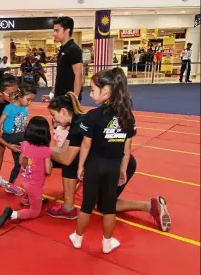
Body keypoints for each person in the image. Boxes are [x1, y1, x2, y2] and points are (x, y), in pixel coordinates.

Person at [47, 91, 171, 233]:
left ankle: (68, 208)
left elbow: (66, 158)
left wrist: (41, 150)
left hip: (115, 165)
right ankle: (151, 206)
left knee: (100, 201)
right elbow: (62, 149)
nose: (54, 120)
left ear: (63, 111)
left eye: (53, 115)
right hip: (120, 161)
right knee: (105, 203)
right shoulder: (79, 120)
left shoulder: (78, 125)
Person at [69, 68, 136, 254]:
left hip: (94, 165)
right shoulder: (127, 116)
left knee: (87, 205)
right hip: (113, 166)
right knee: (108, 207)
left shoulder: (92, 116)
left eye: (92, 90)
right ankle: (107, 243)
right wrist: (123, 169)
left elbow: (86, 146)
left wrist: (81, 166)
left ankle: (77, 238)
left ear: (106, 91)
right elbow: (126, 149)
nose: (90, 94)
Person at [0, 116, 53, 229]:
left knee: (32, 189)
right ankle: (12, 214)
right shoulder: (46, 150)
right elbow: (48, 170)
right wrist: (49, 162)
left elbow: (21, 160)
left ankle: (27, 198)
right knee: (35, 211)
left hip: (24, 181)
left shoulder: (25, 144)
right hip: (34, 185)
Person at [0, 83, 38, 196]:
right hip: (10, 137)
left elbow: (25, 125)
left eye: (32, 100)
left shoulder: (25, 109)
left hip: (21, 136)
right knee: (19, 162)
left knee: (26, 159)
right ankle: (11, 185)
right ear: (20, 95)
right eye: (28, 99)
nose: (30, 103)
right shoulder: (9, 108)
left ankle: (25, 176)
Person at [42, 16, 83, 102]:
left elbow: (78, 75)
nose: (54, 33)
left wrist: (74, 98)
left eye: (57, 30)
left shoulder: (73, 49)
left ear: (67, 31)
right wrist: (51, 94)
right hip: (60, 97)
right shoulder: (62, 49)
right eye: (54, 30)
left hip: (69, 99)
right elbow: (60, 76)